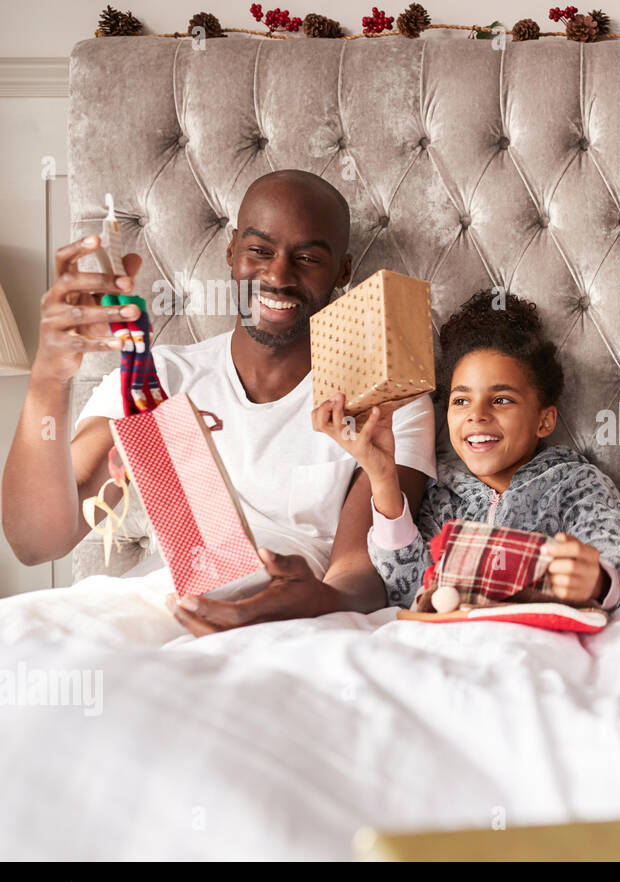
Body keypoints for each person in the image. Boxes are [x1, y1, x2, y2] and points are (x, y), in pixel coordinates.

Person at [1, 169, 437, 632]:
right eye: (259, 251)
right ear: (231, 251)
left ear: (343, 271)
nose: (278, 275)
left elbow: (359, 575)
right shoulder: (159, 377)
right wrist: (50, 379)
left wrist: (316, 601)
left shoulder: (385, 401)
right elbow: (36, 543)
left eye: (307, 257)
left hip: (285, 624)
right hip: (150, 608)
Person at [315, 289, 620, 610]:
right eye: (461, 401)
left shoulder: (577, 484)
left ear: (544, 420)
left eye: (501, 400)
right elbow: (407, 591)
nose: (477, 414)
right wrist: (383, 476)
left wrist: (596, 579)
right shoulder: (439, 491)